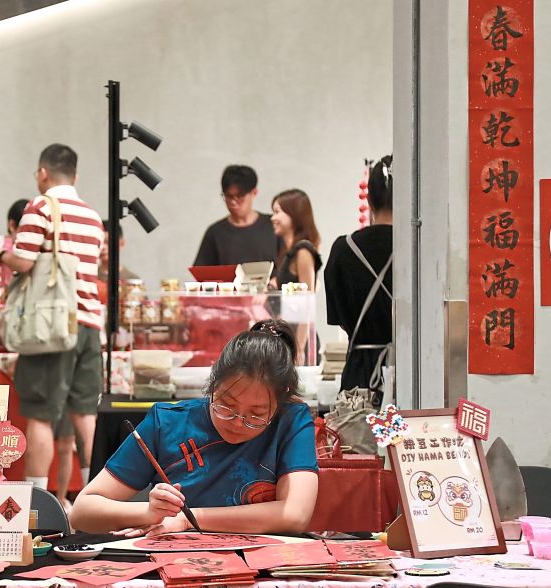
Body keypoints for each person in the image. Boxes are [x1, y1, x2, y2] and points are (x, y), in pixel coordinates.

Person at [71, 320, 319, 535]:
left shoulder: (291, 421)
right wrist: (148, 511)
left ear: (281, 400)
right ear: (213, 384)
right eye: (226, 406)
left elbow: (295, 515)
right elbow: (82, 512)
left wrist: (190, 519)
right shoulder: (167, 423)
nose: (236, 422)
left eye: (255, 415)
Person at [0, 144, 104, 492]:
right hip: (90, 327)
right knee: (86, 414)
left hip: (53, 328)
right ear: (75, 175)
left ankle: (37, 505)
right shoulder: (92, 217)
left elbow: (24, 261)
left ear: (43, 173)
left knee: (41, 415)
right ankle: (94, 495)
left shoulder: (41, 206)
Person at [323, 155, 394, 391]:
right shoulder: (420, 253)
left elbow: (337, 317)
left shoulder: (344, 249)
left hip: (359, 379)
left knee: (359, 428)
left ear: (370, 200)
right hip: (413, 371)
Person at [192, 165, 279, 267]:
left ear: (254, 193)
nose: (233, 202)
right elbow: (202, 272)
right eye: (228, 196)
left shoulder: (273, 225)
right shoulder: (215, 232)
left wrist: (276, 280)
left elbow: (289, 267)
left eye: (239, 196)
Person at [268, 189, 321, 292]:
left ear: (293, 214)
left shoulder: (303, 251)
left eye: (277, 212)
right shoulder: (291, 250)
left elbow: (307, 295)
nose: (272, 218)